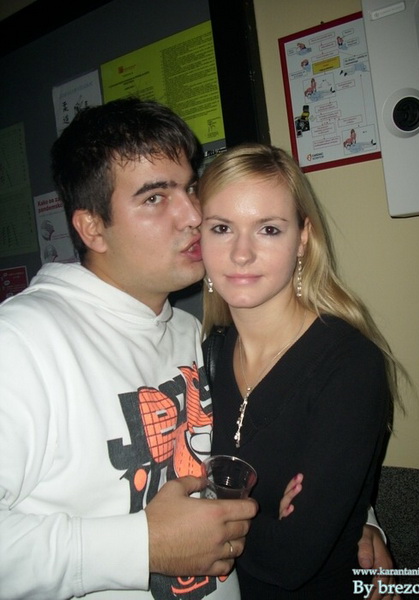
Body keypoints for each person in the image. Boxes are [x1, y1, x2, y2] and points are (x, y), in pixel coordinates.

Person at [0, 98, 258, 600]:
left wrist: (355, 519)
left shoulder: (186, 329)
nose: (194, 215)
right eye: (155, 197)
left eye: (189, 187)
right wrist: (142, 545)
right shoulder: (22, 342)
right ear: (92, 228)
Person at [198, 142, 405, 599]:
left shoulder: (348, 365)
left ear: (303, 239)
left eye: (269, 229)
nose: (241, 253)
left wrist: (205, 517)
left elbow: (290, 558)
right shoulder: (204, 353)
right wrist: (258, 515)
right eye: (222, 228)